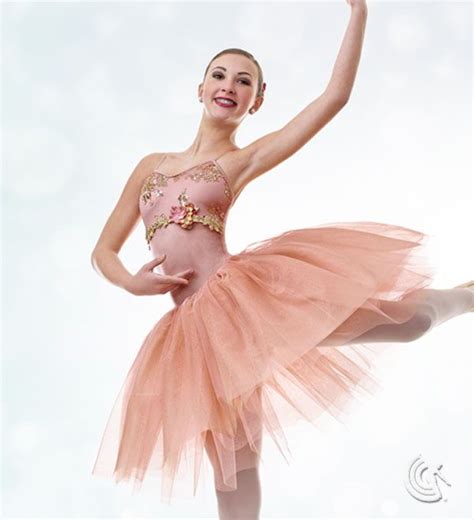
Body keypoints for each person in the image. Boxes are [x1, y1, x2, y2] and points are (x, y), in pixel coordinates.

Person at [90, 1, 473, 518]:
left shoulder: (239, 160)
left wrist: (358, 11)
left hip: (246, 299)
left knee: (408, 324)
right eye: (219, 75)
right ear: (200, 89)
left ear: (257, 101)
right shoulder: (150, 166)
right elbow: (102, 251)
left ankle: (467, 297)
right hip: (194, 335)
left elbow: (334, 97)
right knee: (232, 465)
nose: (229, 85)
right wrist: (129, 283)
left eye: (244, 81)